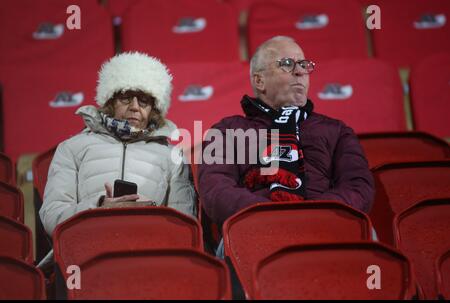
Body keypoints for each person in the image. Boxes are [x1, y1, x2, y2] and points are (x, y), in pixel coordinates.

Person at [197, 36, 375, 246]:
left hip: (328, 229)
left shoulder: (337, 131)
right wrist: (271, 216)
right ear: (259, 80)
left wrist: (313, 215)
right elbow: (215, 190)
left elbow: (359, 187)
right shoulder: (226, 130)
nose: (300, 71)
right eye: (287, 64)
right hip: (255, 234)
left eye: (303, 65)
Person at [39, 52, 197, 241]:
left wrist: (150, 217)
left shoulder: (174, 158)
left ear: (153, 109)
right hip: (87, 250)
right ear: (110, 101)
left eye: (144, 101)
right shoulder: (71, 148)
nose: (135, 107)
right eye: (126, 97)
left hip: (149, 253)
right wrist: (99, 208)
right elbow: (52, 217)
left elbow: (184, 228)